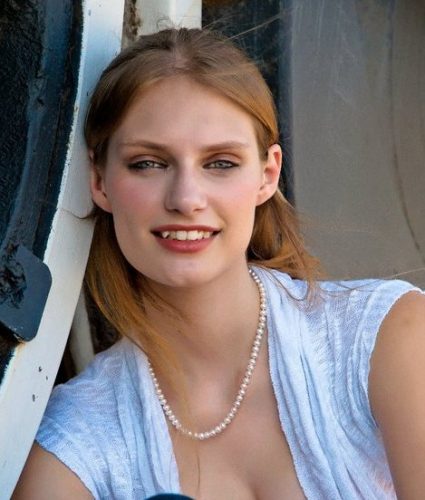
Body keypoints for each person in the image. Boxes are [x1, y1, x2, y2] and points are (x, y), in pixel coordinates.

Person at [13, 28, 425, 500]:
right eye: (148, 163)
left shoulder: (384, 338)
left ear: (267, 174)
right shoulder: (75, 443)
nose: (186, 198)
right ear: (100, 181)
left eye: (221, 163)